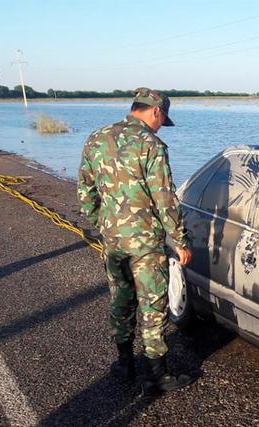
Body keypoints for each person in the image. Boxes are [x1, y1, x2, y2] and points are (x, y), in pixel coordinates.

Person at [78, 87, 195, 394]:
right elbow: (165, 199)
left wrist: (102, 224)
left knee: (121, 299)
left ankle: (125, 364)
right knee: (153, 305)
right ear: (155, 111)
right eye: (162, 119)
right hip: (145, 243)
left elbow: (85, 191)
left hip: (113, 240)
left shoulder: (96, 138)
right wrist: (180, 240)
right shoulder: (151, 145)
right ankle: (157, 375)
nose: (161, 126)